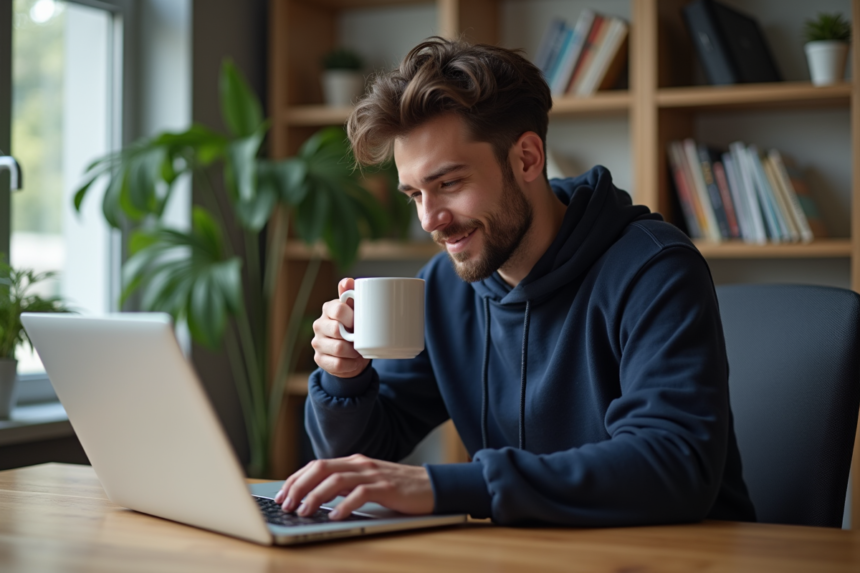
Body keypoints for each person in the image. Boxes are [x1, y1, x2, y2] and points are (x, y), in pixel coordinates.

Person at [274, 37, 757, 526]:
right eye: (414, 194)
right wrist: (346, 377)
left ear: (527, 158)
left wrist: (446, 486)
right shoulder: (445, 285)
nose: (430, 220)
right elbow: (360, 460)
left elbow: (674, 464)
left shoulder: (654, 269)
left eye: (449, 184)